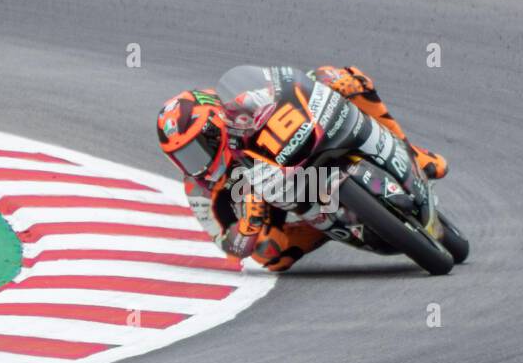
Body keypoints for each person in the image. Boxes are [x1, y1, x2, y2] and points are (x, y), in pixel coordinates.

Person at [156, 65, 447, 271]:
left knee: (341, 78)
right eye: (181, 157)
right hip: (281, 206)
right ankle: (325, 226)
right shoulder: (198, 188)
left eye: (195, 150)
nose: (195, 165)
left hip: (299, 144)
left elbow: (283, 84)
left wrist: (307, 85)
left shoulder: (240, 104)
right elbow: (227, 245)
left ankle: (410, 151)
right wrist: (248, 226)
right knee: (268, 255)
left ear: (214, 127)